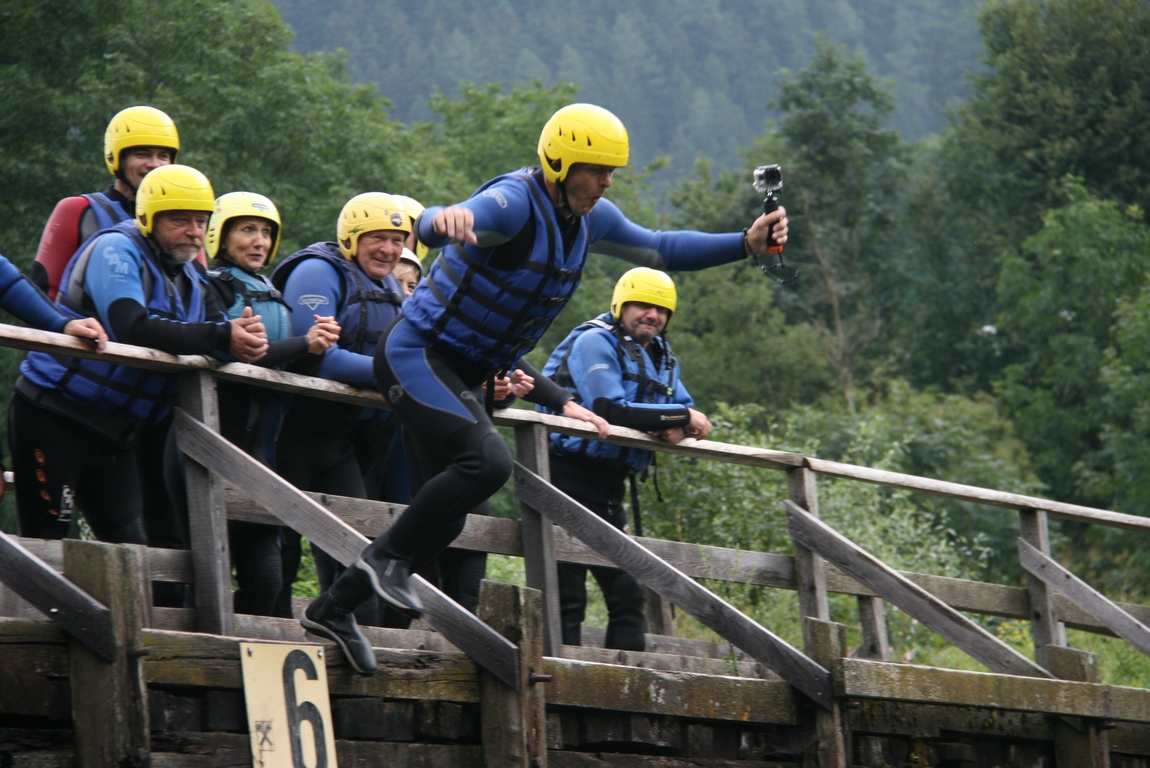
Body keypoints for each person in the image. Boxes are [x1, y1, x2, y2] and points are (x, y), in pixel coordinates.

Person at [301, 102, 788, 676]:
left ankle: (333, 608)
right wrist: (441, 221)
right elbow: (440, 220)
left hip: (464, 372)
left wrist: (745, 242)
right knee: (487, 463)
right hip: (416, 355)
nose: (606, 183)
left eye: (611, 172)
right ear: (560, 164)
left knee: (450, 515)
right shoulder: (513, 202)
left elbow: (662, 248)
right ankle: (384, 563)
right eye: (597, 171)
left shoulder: (593, 220)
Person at [10, 164, 268, 548]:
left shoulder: (192, 276)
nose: (194, 232)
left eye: (201, 222)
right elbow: (131, 326)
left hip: (117, 435)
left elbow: (216, 336)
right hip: (56, 415)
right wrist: (222, 335)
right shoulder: (115, 248)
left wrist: (246, 339)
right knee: (45, 544)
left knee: (132, 549)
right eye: (180, 220)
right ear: (147, 217)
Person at [541, 267, 710, 651]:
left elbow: (691, 416)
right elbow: (609, 409)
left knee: (629, 598)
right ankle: (560, 682)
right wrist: (679, 417)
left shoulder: (662, 356)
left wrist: (681, 426)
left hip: (609, 491)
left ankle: (626, 684)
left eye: (661, 309)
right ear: (621, 305)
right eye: (643, 305)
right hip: (563, 479)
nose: (652, 315)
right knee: (568, 600)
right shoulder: (594, 341)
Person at [195, 191, 340, 615]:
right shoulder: (210, 287)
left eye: (266, 233)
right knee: (204, 573)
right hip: (213, 446)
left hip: (262, 451)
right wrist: (304, 343)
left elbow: (286, 364)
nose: (259, 241)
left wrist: (316, 346)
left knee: (269, 579)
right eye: (247, 230)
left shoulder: (270, 291)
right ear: (220, 236)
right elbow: (239, 353)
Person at [270, 192, 410, 621]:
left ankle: (351, 645)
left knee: (358, 557)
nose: (388, 250)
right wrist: (396, 374)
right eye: (377, 239)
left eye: (397, 240)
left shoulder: (391, 287)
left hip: (341, 441)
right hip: (289, 434)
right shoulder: (317, 272)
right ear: (350, 238)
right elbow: (320, 359)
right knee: (280, 555)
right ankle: (267, 637)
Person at [31, 106, 180, 300]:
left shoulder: (185, 221)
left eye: (163, 156)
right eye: (142, 154)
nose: (154, 164)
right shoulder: (78, 210)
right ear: (116, 158)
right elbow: (44, 292)